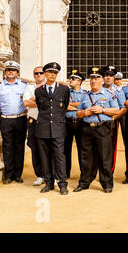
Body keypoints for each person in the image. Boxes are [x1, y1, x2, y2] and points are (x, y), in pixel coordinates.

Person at [74, 67, 125, 193]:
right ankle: (84, 182)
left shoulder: (109, 95)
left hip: (102, 128)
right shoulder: (86, 96)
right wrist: (84, 112)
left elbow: (117, 110)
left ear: (102, 80)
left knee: (104, 157)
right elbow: (78, 113)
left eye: (97, 78)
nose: (94, 81)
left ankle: (107, 183)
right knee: (85, 157)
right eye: (92, 78)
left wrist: (102, 110)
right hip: (87, 129)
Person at [0, 60, 27, 184]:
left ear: (17, 73)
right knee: (7, 147)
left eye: (13, 70)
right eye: (8, 70)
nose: (10, 72)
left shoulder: (24, 85)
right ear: (5, 72)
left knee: (19, 147)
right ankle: (8, 175)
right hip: (6, 120)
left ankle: (18, 174)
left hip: (20, 119)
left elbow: (30, 101)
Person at [34, 62, 70, 195]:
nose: (52, 75)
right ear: (45, 74)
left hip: (58, 127)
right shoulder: (39, 91)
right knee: (44, 157)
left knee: (59, 156)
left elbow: (64, 105)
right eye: (50, 72)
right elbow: (40, 107)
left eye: (55, 73)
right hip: (42, 128)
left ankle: (62, 184)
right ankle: (48, 183)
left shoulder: (64, 89)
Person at [23, 66, 46, 186]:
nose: (38, 75)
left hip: (47, 121)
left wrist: (35, 100)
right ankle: (39, 175)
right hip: (33, 121)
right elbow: (26, 102)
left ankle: (49, 175)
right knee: (35, 148)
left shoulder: (49, 87)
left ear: (45, 74)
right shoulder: (29, 87)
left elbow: (52, 103)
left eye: (41, 73)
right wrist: (42, 102)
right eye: (36, 73)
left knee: (49, 149)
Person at [101, 66, 126, 173]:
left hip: (111, 121)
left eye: (111, 75)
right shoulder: (99, 88)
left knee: (110, 147)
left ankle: (109, 171)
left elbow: (123, 108)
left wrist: (112, 118)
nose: (108, 78)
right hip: (99, 121)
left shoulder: (118, 91)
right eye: (106, 75)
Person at [64, 70, 87, 179]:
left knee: (82, 149)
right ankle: (65, 173)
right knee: (65, 149)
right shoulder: (65, 92)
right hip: (67, 122)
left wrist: (71, 105)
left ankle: (84, 174)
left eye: (73, 79)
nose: (70, 80)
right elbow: (64, 106)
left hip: (80, 123)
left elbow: (86, 106)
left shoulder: (86, 94)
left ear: (79, 81)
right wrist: (79, 106)